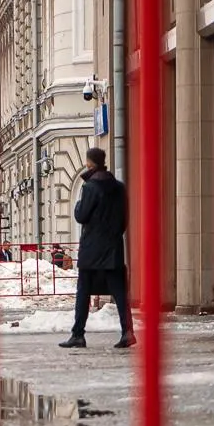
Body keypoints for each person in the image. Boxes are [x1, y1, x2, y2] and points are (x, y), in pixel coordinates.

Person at [62, 147, 134, 350]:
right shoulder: (119, 188)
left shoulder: (91, 187)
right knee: (120, 293)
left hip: (92, 248)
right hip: (113, 247)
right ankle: (128, 332)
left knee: (83, 291)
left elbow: (81, 215)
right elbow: (124, 219)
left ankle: (78, 334)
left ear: (89, 163)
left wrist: (78, 205)